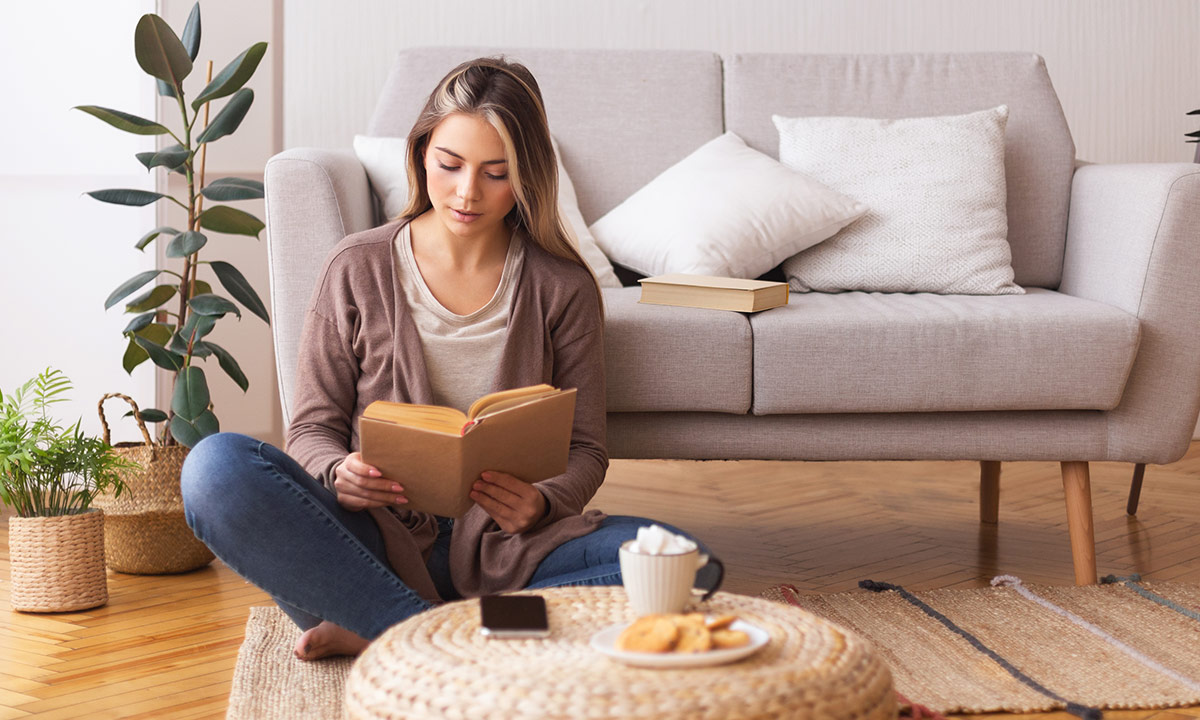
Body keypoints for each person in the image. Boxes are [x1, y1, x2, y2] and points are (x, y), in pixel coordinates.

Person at [180, 57, 718, 661]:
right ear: (420, 154)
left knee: (685, 565)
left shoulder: (562, 286)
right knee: (215, 469)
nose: (466, 192)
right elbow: (312, 430)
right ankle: (455, 629)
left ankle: (398, 630)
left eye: (496, 173)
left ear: (527, 176)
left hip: (515, 548)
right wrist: (340, 472)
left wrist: (543, 501)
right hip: (373, 544)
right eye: (450, 165)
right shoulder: (355, 267)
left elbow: (587, 450)